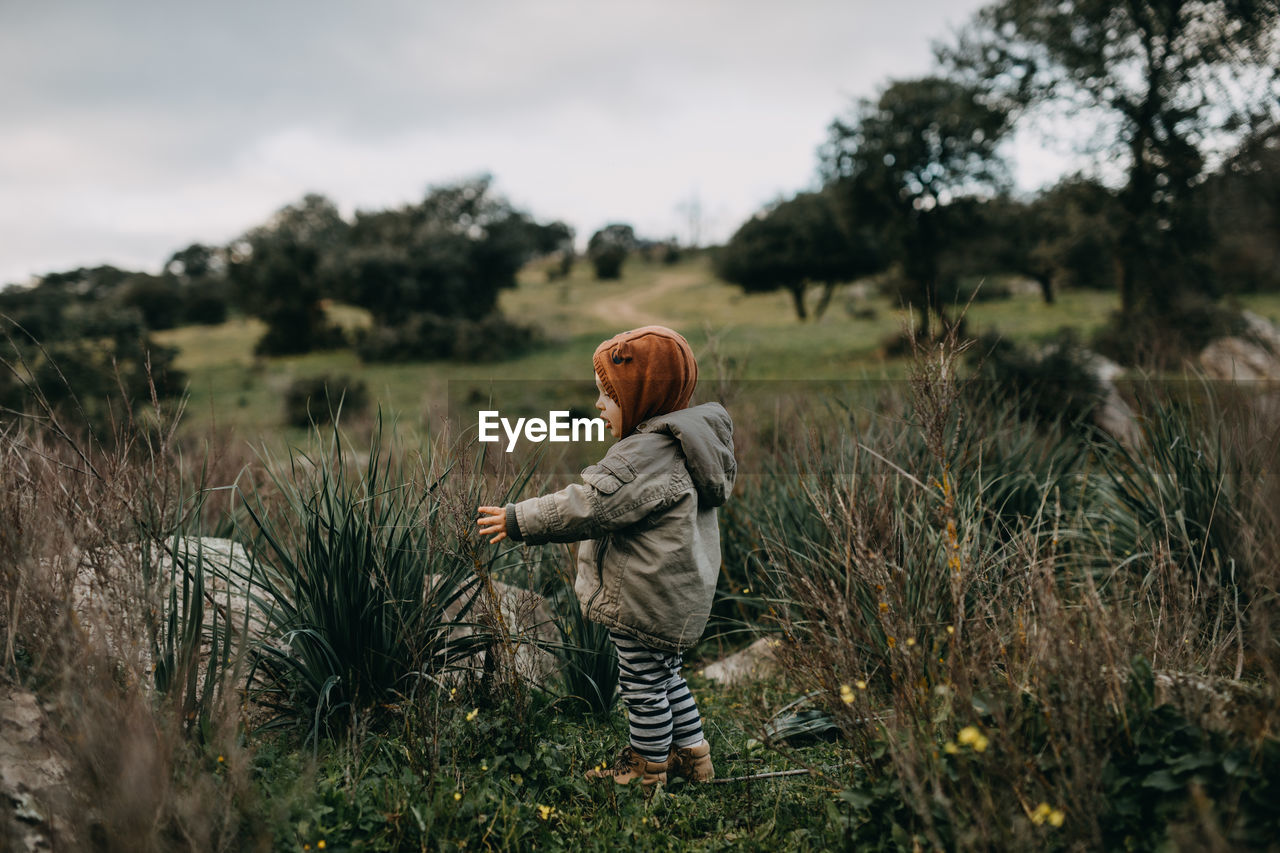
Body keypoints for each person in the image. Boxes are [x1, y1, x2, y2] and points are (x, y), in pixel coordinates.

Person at [476, 325, 736, 787]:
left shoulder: (644, 455)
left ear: (643, 396)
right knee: (666, 677)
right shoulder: (685, 442)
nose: (599, 405)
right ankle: (694, 758)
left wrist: (519, 519)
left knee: (641, 687)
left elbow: (588, 506)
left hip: (643, 600)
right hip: (673, 597)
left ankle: (646, 768)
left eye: (609, 395)